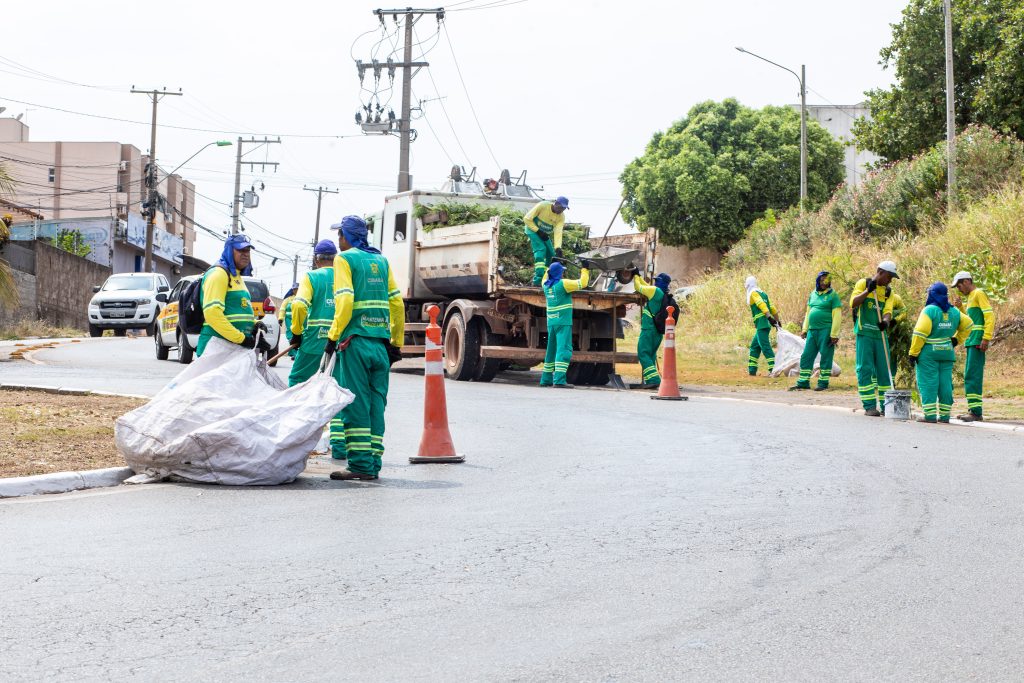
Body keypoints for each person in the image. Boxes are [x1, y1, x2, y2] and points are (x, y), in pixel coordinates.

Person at [323, 216, 404, 481]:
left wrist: (333, 336)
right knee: (376, 404)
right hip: (381, 344)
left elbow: (345, 300)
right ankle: (374, 463)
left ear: (346, 236)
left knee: (355, 403)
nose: (339, 240)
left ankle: (359, 466)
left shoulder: (344, 259)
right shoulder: (381, 261)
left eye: (340, 235)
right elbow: (397, 304)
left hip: (354, 341)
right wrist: (397, 342)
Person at [288, 239, 345, 459]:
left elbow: (299, 305)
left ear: (316, 259)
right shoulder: (344, 277)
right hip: (339, 340)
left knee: (298, 384)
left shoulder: (312, 277)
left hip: (313, 340)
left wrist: (296, 331)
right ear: (335, 257)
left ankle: (297, 436)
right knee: (338, 389)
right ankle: (339, 447)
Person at [196, 233, 270, 357]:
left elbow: (236, 310)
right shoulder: (218, 274)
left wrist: (254, 324)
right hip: (215, 349)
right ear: (229, 251)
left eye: (247, 250)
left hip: (232, 350)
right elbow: (212, 314)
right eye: (241, 250)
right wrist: (242, 339)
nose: (246, 254)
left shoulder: (236, 276)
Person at [909, 282, 972, 423]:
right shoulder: (954, 311)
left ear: (932, 294)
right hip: (946, 352)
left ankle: (930, 415)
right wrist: (956, 339)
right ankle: (944, 416)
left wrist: (913, 353)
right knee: (945, 384)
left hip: (928, 354)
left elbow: (920, 333)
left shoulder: (929, 310)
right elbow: (969, 324)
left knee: (928, 383)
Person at [849, 261, 899, 416]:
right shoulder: (863, 283)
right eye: (889, 276)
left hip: (880, 336)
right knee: (865, 369)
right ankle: (870, 406)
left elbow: (888, 310)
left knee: (885, 371)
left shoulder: (888, 292)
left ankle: (887, 406)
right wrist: (867, 291)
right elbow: (853, 303)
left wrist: (885, 321)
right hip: (865, 334)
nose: (890, 280)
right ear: (880, 271)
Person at [952, 271, 995, 421]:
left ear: (966, 281)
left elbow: (989, 316)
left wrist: (986, 338)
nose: (959, 289)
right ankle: (973, 409)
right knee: (970, 375)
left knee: (973, 375)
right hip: (971, 340)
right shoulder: (970, 298)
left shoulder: (978, 293)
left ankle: (976, 412)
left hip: (978, 341)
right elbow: (970, 320)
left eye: (959, 285)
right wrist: (960, 308)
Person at [541, 260, 590, 388]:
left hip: (551, 322)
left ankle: (545, 379)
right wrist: (585, 269)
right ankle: (559, 380)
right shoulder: (563, 284)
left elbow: (545, 276)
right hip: (563, 323)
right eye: (562, 271)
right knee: (564, 350)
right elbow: (583, 283)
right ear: (559, 273)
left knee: (551, 350)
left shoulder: (546, 285)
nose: (563, 273)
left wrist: (549, 267)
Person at [791, 271, 842, 391]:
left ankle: (823, 383)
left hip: (826, 331)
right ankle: (803, 381)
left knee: (826, 356)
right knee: (807, 355)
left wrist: (834, 334)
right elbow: (808, 313)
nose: (824, 282)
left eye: (827, 280)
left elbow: (837, 315)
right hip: (812, 331)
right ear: (818, 280)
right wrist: (805, 329)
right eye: (822, 280)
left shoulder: (833, 295)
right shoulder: (812, 294)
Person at [633, 270, 672, 388]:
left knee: (643, 353)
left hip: (648, 329)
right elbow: (646, 286)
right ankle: (653, 379)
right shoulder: (662, 293)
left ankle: (654, 379)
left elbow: (639, 287)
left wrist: (635, 276)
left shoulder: (655, 291)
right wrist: (639, 276)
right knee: (651, 355)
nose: (655, 283)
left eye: (657, 281)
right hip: (657, 332)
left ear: (661, 283)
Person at [523, 196, 569, 286]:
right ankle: (537, 280)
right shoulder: (543, 206)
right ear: (556, 203)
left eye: (564, 209)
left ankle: (546, 277)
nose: (561, 210)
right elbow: (526, 219)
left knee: (551, 254)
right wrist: (538, 231)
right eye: (560, 207)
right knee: (541, 249)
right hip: (532, 230)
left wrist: (558, 248)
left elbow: (558, 232)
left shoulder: (561, 217)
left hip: (544, 234)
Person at [744, 275, 781, 376]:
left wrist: (769, 318)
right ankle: (752, 370)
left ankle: (774, 370)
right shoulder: (763, 293)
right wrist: (777, 321)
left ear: (748, 285)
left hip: (762, 324)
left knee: (765, 347)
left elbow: (762, 305)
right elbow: (772, 307)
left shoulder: (753, 293)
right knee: (754, 347)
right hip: (763, 325)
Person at [279, 282, 299, 359]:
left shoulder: (303, 298)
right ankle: (294, 353)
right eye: (294, 289)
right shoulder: (287, 299)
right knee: (290, 336)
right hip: (289, 320)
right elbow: (282, 309)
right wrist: (280, 318)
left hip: (299, 320)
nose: (296, 291)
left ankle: (294, 353)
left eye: (297, 289)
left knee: (298, 335)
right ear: (292, 290)